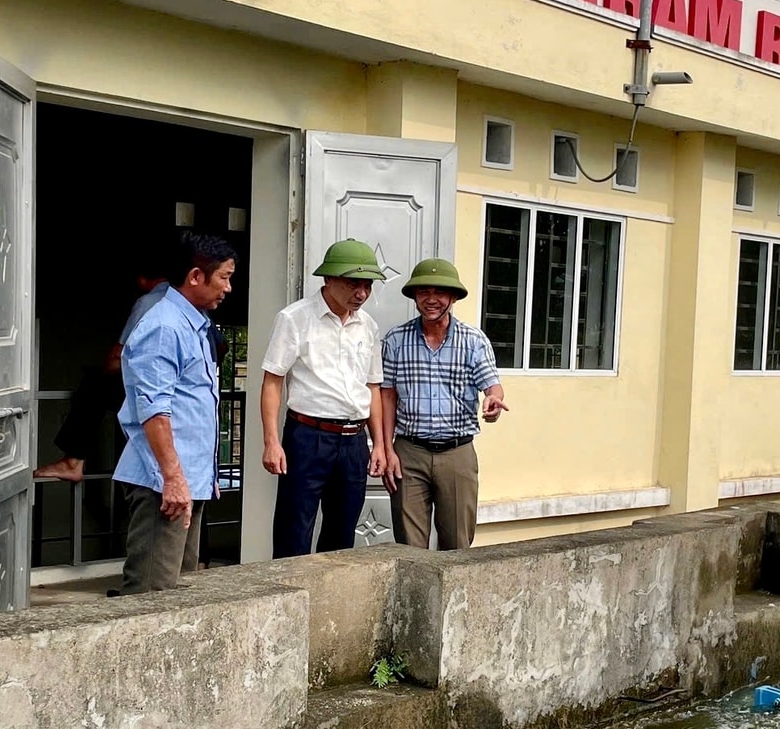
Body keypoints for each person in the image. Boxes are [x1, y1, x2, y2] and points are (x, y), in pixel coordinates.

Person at [115, 233, 236, 592]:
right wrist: (173, 479)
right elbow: (155, 410)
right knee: (151, 595)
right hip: (163, 485)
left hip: (185, 482)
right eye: (224, 277)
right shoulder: (165, 326)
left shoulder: (193, 323)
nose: (228, 288)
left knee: (178, 593)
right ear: (196, 276)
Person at [261, 239, 389, 558]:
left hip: (354, 442)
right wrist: (271, 441)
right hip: (307, 437)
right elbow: (273, 380)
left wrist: (380, 445)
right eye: (352, 283)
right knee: (294, 530)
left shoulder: (368, 326)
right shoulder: (295, 319)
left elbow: (372, 387)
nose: (361, 293)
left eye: (367, 285)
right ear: (328, 279)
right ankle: (291, 602)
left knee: (342, 534)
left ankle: (329, 605)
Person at [378, 257, 506, 550]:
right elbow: (387, 395)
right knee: (409, 546)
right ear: (414, 296)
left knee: (458, 544)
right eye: (424, 292)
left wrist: (494, 401)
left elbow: (492, 385)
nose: (431, 300)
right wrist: (386, 449)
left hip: (457, 453)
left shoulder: (473, 340)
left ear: (452, 297)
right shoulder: (396, 340)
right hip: (408, 453)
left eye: (439, 292)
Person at [34, 241, 176, 484]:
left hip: (153, 395)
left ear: (142, 279)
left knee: (95, 383)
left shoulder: (149, 302)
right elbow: (220, 346)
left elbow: (115, 361)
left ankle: (73, 460)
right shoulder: (186, 303)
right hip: (181, 398)